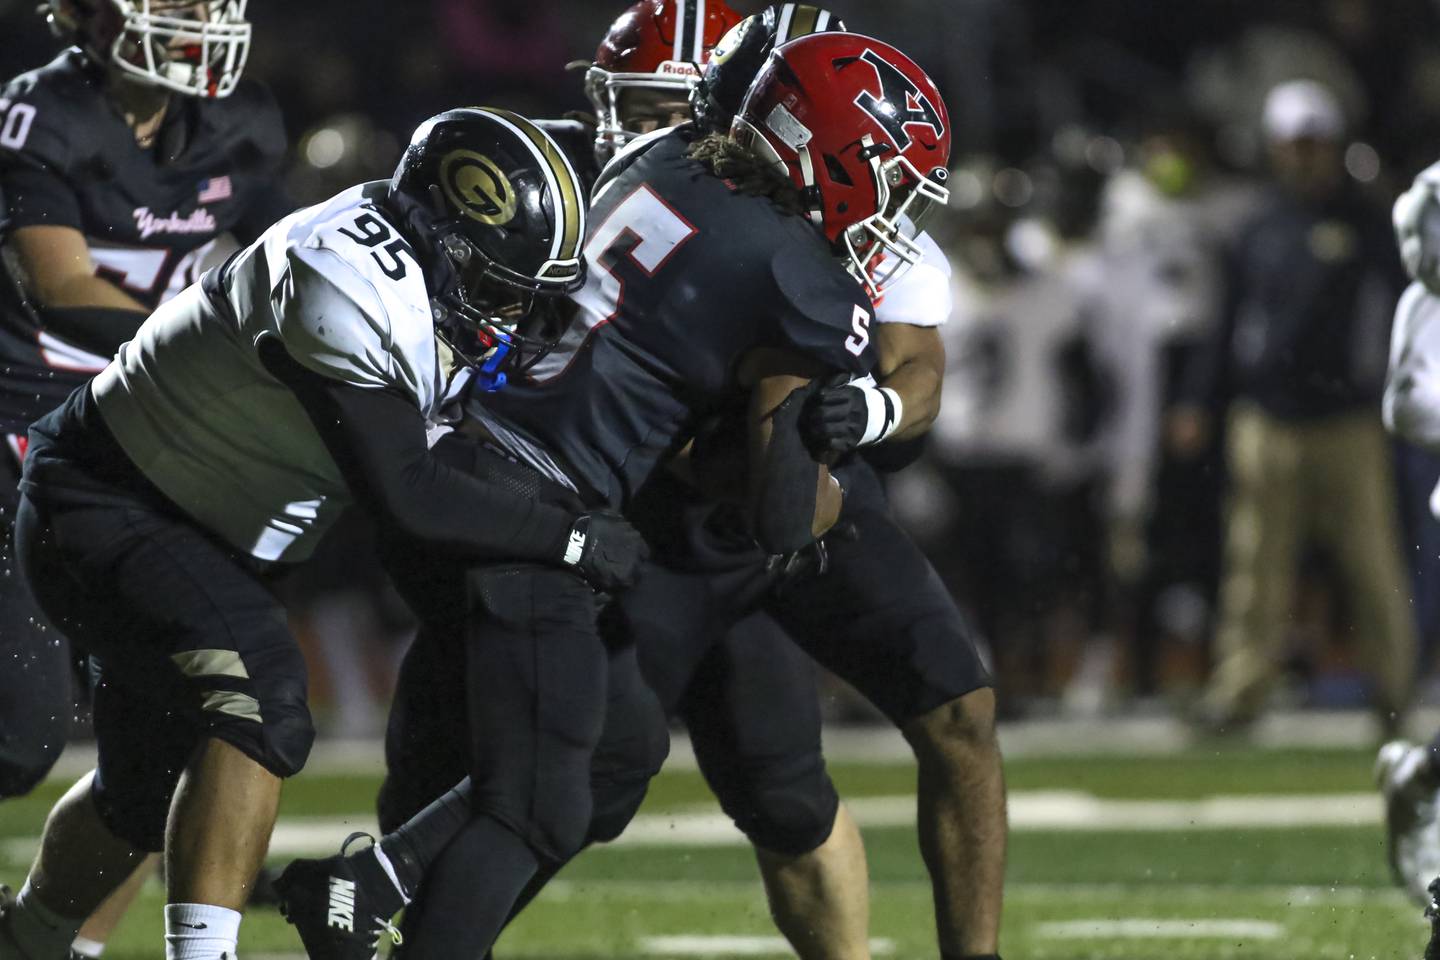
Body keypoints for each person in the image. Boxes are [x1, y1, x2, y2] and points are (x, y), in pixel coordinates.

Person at [280, 27, 998, 960]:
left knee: (602, 758)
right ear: (838, 157)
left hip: (458, 458)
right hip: (560, 508)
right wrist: (812, 445)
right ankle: (368, 899)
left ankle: (374, 878)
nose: (897, 208)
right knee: (542, 801)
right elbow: (784, 517)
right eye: (892, 176)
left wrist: (854, 415)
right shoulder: (800, 271)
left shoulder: (657, 157)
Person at [0, 106, 645, 960]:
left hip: (194, 521)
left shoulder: (410, 270)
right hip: (117, 503)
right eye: (494, 285)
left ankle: (29, 940)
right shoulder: (342, 280)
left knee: (141, 789)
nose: (507, 314)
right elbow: (410, 495)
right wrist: (568, 541)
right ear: (441, 235)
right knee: (261, 703)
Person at [0, 2, 289, 955]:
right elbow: (64, 288)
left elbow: (255, 272)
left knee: (164, 729)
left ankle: (61, 942)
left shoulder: (246, 125)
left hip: (147, 434)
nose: (195, 18)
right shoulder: (41, 119)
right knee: (20, 735)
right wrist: (215, 348)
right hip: (23, 422)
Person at [1172, 79, 1414, 735]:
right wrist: (1198, 399)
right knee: (1255, 567)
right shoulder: (1256, 228)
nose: (1305, 155)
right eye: (1294, 144)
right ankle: (1239, 693)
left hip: (1348, 418)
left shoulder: (1368, 221)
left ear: (1332, 146)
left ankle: (1392, 689)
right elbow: (1224, 323)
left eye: (1314, 143)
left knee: (1370, 561)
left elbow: (1410, 303)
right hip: (1267, 417)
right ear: (1277, 149)